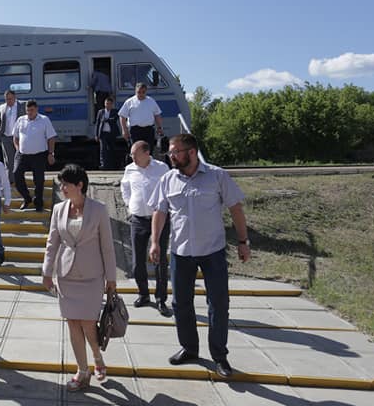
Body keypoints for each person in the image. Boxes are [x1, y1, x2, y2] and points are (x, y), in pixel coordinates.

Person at [148, 133, 251, 378]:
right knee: (181, 304)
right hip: (181, 253)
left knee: (218, 305)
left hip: (212, 252)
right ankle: (189, 349)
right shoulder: (168, 179)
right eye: (170, 153)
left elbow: (235, 209)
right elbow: (159, 212)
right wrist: (155, 242)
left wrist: (243, 242)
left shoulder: (217, 175)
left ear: (191, 152)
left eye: (175, 152)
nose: (171, 156)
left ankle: (220, 356)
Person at [42, 164, 117, 391]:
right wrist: (46, 272)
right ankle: (82, 371)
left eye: (66, 184)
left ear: (80, 185)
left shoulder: (99, 209)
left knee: (88, 323)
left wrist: (111, 279)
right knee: (73, 323)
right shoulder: (58, 210)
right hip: (66, 276)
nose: (62, 188)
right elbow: (52, 242)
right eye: (61, 184)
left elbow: (107, 247)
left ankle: (96, 356)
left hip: (92, 277)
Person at [121, 141, 171, 317]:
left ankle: (161, 299)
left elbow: (168, 190)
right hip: (138, 219)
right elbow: (125, 188)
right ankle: (143, 294)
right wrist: (129, 206)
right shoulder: (130, 169)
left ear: (147, 152)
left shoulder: (162, 168)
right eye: (131, 154)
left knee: (159, 260)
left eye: (135, 154)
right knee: (137, 262)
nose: (132, 157)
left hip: (160, 219)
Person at [12, 99, 56, 211]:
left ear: (36, 109)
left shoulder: (44, 120)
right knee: (16, 174)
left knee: (39, 180)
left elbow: (51, 138)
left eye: (32, 110)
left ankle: (38, 202)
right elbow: (15, 137)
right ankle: (27, 198)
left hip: (39, 155)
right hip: (22, 154)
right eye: (28, 110)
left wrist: (51, 153)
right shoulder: (20, 120)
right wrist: (18, 149)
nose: (29, 112)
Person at [119, 83, 163, 154]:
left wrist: (159, 127)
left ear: (146, 91)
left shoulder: (151, 101)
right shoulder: (129, 102)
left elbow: (157, 115)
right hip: (135, 131)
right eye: (139, 92)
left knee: (149, 151)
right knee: (135, 151)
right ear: (135, 91)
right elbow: (122, 116)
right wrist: (124, 130)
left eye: (143, 92)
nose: (141, 94)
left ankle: (148, 164)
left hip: (148, 130)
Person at [0, 89, 25, 186]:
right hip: (6, 137)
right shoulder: (2, 107)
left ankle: (19, 178)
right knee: (9, 159)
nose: (8, 101)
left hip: (19, 136)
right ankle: (11, 180)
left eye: (10, 99)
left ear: (15, 97)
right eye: (7, 99)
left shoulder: (22, 105)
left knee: (20, 158)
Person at [94, 96, 122, 170]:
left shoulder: (115, 111)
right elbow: (97, 123)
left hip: (111, 133)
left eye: (109, 104)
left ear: (112, 104)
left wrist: (106, 120)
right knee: (103, 150)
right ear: (104, 104)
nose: (108, 105)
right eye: (106, 103)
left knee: (112, 149)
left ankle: (112, 164)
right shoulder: (101, 112)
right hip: (103, 133)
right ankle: (103, 164)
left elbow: (114, 119)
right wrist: (96, 134)